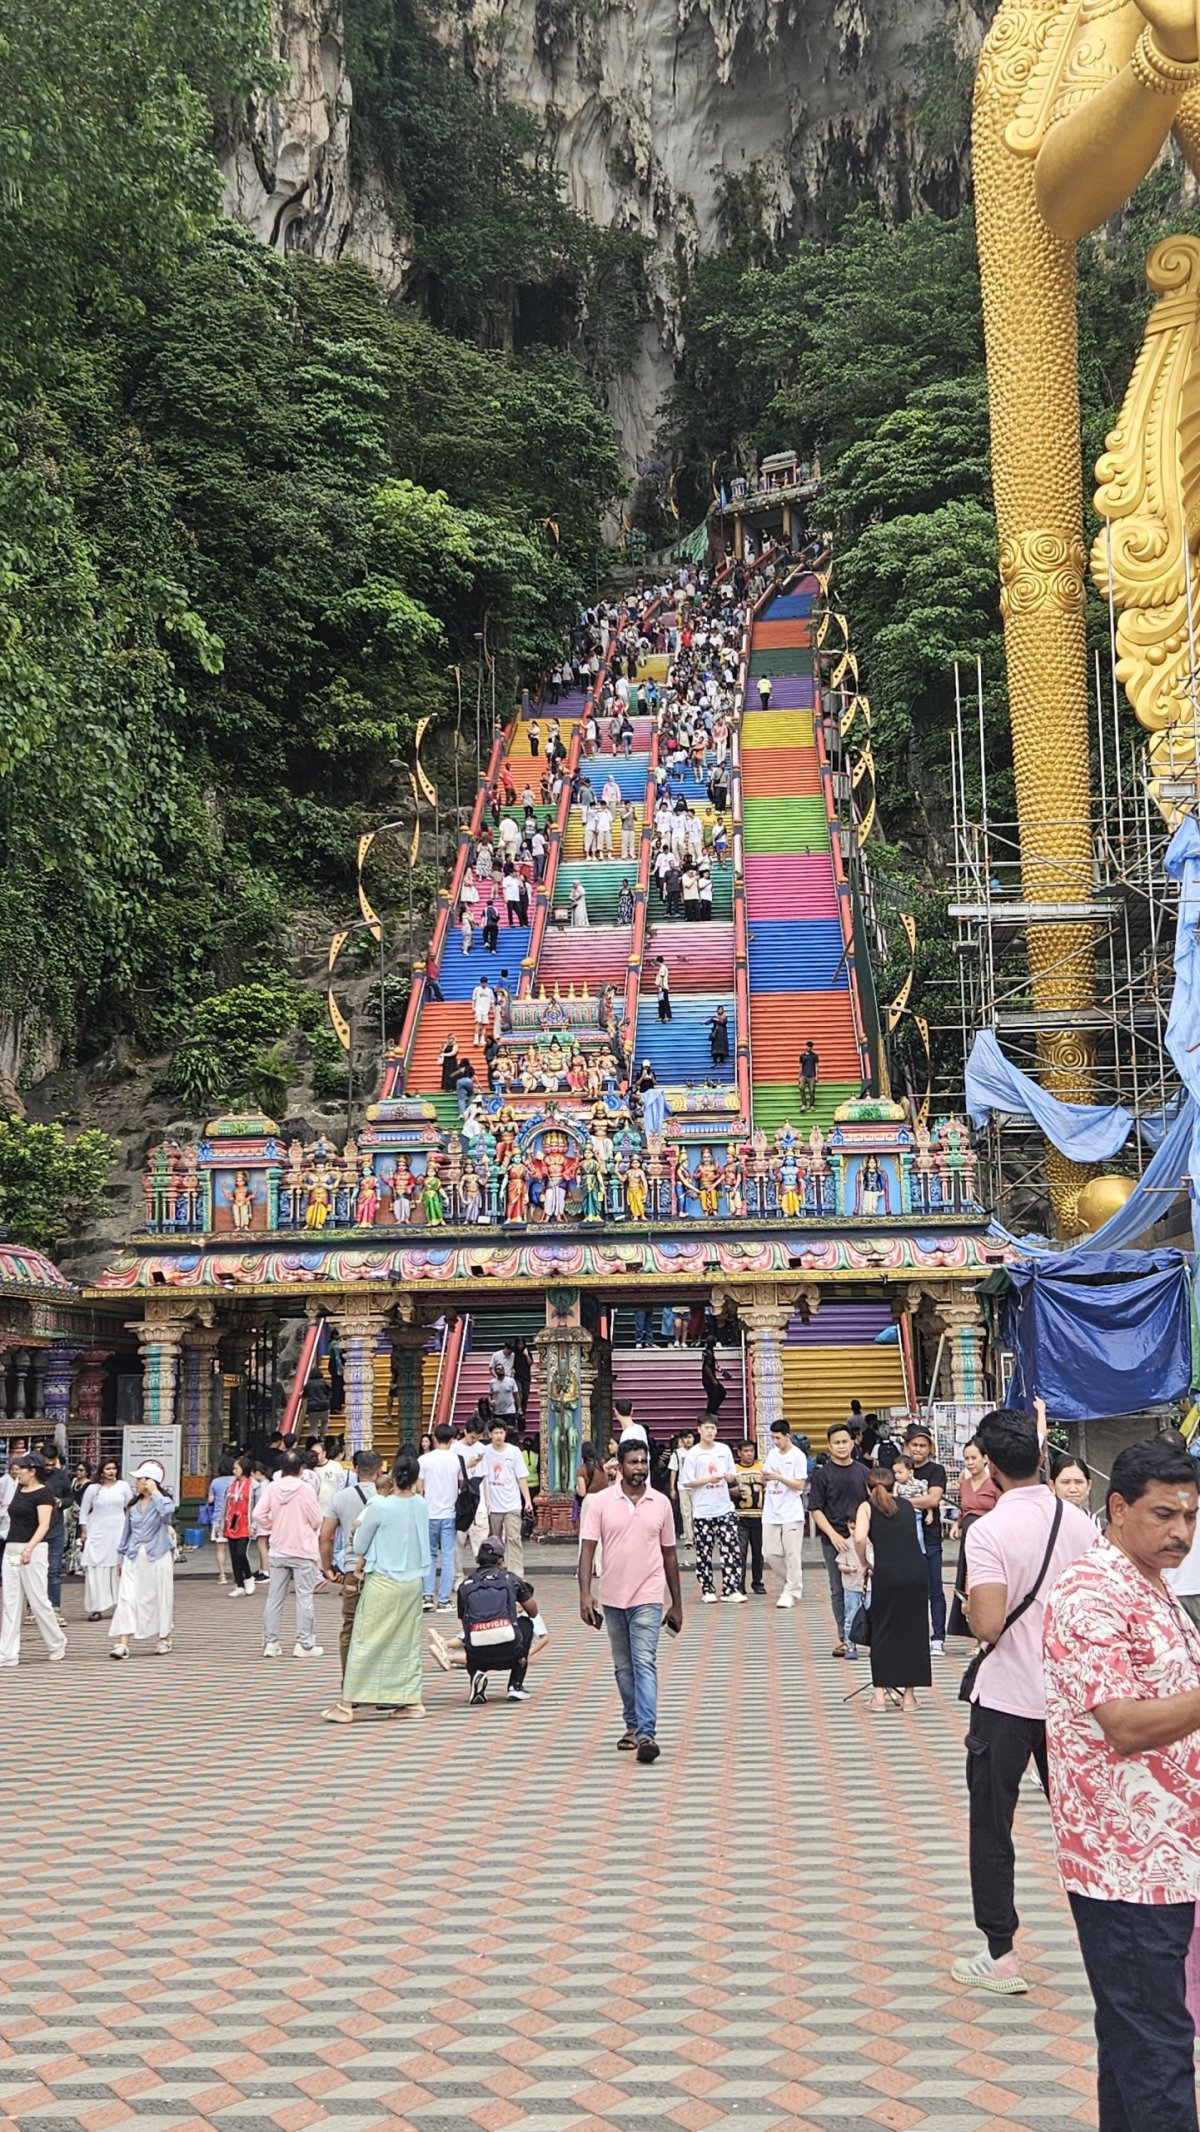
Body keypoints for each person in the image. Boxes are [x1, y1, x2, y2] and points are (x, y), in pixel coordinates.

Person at [1044, 1439, 1200, 2132]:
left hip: (1167, 1854)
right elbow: (1125, 1726)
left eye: (1192, 1517)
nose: (1181, 1532)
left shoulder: (1150, 1585)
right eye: (1164, 1514)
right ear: (1117, 1507)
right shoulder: (1091, 1593)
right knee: (1159, 2050)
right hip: (1125, 1865)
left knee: (1135, 2045)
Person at [951, 1407, 1097, 1996]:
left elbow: (986, 1624)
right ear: (1042, 1459)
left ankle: (1001, 1953)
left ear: (987, 1465)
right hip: (1074, 1698)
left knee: (993, 1824)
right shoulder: (1082, 1524)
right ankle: (1105, 1940)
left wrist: (966, 1608)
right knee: (1086, 1821)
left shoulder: (987, 1531)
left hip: (1008, 1698)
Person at [580, 1437, 683, 1763]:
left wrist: (676, 1603)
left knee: (644, 1663)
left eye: (643, 1462)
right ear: (619, 1466)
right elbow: (587, 1550)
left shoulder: (661, 1503)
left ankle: (647, 1733)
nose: (639, 1468)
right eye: (633, 1462)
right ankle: (632, 1725)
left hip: (649, 1596)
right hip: (612, 1596)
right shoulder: (600, 1502)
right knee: (623, 1667)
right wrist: (584, 1594)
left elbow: (669, 1555)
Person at [324, 1450, 429, 1724]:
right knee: (407, 1641)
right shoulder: (421, 1504)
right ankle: (411, 1699)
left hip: (384, 1578)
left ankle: (347, 1703)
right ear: (417, 1480)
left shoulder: (381, 1506)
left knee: (365, 1638)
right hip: (413, 1580)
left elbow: (359, 1545)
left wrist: (358, 1529)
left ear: (392, 1476)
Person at [853, 1463, 931, 1712]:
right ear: (894, 1485)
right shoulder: (907, 1505)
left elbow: (859, 1538)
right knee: (913, 1629)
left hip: (887, 1572)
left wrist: (865, 1562)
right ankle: (909, 1697)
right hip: (916, 1570)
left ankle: (879, 1697)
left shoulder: (866, 1507)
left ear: (868, 1487)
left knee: (883, 1629)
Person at [253, 1450, 325, 1661]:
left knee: (274, 1597)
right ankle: (304, 1643)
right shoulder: (305, 1489)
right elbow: (317, 1518)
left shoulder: (273, 1487)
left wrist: (273, 1525)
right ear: (301, 1469)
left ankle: (270, 1642)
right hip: (302, 1549)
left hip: (278, 1548)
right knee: (304, 1597)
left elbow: (258, 1514)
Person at [808, 1422, 871, 1657]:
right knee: (838, 1589)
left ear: (852, 1442)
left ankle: (867, 1635)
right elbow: (816, 1509)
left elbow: (872, 1504)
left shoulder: (864, 1472)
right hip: (833, 1540)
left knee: (867, 1588)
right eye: (837, 1443)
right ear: (829, 1446)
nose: (841, 1446)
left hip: (863, 1540)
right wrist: (834, 1535)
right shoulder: (822, 1475)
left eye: (845, 1441)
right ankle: (845, 1637)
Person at [320, 1447, 382, 1679]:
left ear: (356, 1470)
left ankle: (350, 1682)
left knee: (350, 1625)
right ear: (379, 1471)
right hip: (381, 1570)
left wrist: (327, 1567)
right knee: (380, 1626)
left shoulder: (340, 1497)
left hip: (350, 1570)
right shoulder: (385, 1497)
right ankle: (377, 1682)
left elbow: (325, 1536)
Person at [0, 1452, 67, 1666]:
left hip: (33, 1551)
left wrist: (29, 1548)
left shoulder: (44, 1493)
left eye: (21, 1469)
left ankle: (56, 1642)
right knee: (10, 1602)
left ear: (33, 1471)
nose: (17, 1472)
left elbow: (44, 1525)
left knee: (38, 1600)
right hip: (11, 1547)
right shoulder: (19, 1489)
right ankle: (8, 1652)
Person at [455, 1535, 535, 1705]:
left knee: (470, 1629)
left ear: (477, 1559)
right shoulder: (510, 1579)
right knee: (527, 1624)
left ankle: (476, 1676)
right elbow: (533, 1611)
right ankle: (515, 1685)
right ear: (500, 1560)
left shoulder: (465, 1586)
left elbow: (463, 1619)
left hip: (478, 1654)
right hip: (510, 1650)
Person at [109, 1461, 176, 1661]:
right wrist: (120, 1558)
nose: (136, 1483)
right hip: (134, 1555)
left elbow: (167, 1514)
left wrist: (155, 1492)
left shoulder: (162, 1501)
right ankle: (123, 1643)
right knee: (127, 1597)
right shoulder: (133, 1506)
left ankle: (164, 1637)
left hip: (157, 1555)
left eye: (141, 1479)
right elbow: (126, 1533)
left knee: (159, 1596)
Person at [679, 1416, 744, 1604]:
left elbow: (732, 1473)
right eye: (707, 1428)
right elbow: (688, 1481)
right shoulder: (693, 1454)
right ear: (699, 1430)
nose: (710, 1432)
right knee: (704, 1551)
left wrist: (729, 1476)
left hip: (725, 1508)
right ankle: (707, 1588)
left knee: (731, 1549)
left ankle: (731, 1588)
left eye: (713, 1428)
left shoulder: (724, 1450)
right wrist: (708, 1479)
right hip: (703, 1511)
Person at [903, 1424, 948, 1654]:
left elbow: (933, 1499)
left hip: (930, 1538)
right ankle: (912, 1635)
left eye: (922, 1445)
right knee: (908, 1590)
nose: (918, 1449)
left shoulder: (936, 1470)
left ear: (929, 1448)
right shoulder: (898, 1469)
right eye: (914, 1445)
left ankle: (938, 1636)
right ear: (906, 1446)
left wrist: (902, 1502)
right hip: (903, 1539)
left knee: (935, 1589)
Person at [948, 1436, 999, 1637]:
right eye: (966, 1459)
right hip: (968, 1538)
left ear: (985, 1459)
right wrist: (957, 1523)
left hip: (989, 1539)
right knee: (966, 1583)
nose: (970, 1463)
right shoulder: (965, 1484)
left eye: (973, 1458)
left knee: (984, 1581)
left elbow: (1003, 1509)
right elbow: (963, 1510)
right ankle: (969, 1629)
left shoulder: (994, 1483)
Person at [79, 1459, 133, 1619]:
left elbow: (131, 1508)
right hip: (97, 1531)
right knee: (95, 1567)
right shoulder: (93, 1489)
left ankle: (121, 1604)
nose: (111, 1471)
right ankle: (96, 1607)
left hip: (118, 1531)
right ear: (102, 1471)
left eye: (114, 1468)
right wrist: (84, 1531)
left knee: (117, 1567)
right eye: (108, 1468)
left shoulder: (123, 1486)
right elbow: (83, 1512)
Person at [762, 1419, 807, 1608]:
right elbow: (765, 1475)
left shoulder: (798, 1456)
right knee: (769, 1552)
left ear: (787, 1436)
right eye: (773, 1438)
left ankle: (791, 1590)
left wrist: (779, 1477)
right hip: (771, 1508)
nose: (776, 1442)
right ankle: (793, 1582)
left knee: (792, 1553)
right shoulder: (772, 1454)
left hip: (791, 1510)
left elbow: (800, 1485)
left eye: (778, 1438)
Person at [482, 1421, 534, 1577]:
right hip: (493, 1505)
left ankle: (516, 1574)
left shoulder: (514, 1452)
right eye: (496, 1433)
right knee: (494, 1540)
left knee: (514, 1539)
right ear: (490, 1434)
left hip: (512, 1504)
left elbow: (521, 1477)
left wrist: (528, 1500)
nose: (499, 1436)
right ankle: (495, 1572)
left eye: (501, 1432)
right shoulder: (484, 1452)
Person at [419, 1422, 460, 1614]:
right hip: (449, 1513)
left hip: (429, 1513)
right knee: (448, 1557)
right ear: (452, 1439)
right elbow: (461, 1484)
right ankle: (443, 1599)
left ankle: (427, 1596)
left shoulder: (424, 1460)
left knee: (429, 1556)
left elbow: (420, 1488)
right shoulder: (456, 1459)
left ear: (434, 1438)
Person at [40, 1443, 71, 1620]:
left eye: (52, 1464)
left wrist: (61, 1502)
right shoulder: (33, 1475)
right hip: (36, 1530)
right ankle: (33, 1608)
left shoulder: (61, 1476)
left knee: (54, 1569)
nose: (49, 1468)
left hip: (56, 1528)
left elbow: (70, 1497)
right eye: (46, 1465)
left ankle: (55, 1607)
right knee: (36, 1571)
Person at [732, 1440, 765, 1594]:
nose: (749, 1454)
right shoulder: (734, 1470)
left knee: (758, 1552)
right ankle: (740, 1583)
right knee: (741, 1552)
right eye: (745, 1451)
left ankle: (758, 1582)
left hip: (759, 1516)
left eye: (751, 1451)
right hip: (741, 1516)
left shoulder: (762, 1468)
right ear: (739, 1453)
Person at [1051, 1451, 1103, 1528]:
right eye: (1066, 1482)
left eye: (1079, 1482)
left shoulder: (1099, 1526)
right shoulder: (1045, 1524)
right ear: (1052, 1485)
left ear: (1089, 1485)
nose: (1073, 1489)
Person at [798, 1040, 819, 1111]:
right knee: (801, 1087)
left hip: (812, 1075)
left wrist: (816, 1076)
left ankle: (812, 1105)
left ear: (811, 1048)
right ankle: (804, 1104)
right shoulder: (802, 1056)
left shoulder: (814, 1056)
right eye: (807, 1046)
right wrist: (799, 1076)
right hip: (804, 1075)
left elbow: (816, 1066)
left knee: (812, 1090)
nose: (807, 1048)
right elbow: (800, 1066)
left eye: (809, 1047)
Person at [655, 957, 672, 1023]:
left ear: (657, 961)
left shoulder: (662, 968)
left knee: (664, 1002)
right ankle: (661, 1016)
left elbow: (661, 978)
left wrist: (660, 987)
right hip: (663, 987)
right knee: (661, 1002)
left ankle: (667, 1016)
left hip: (663, 988)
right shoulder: (663, 967)